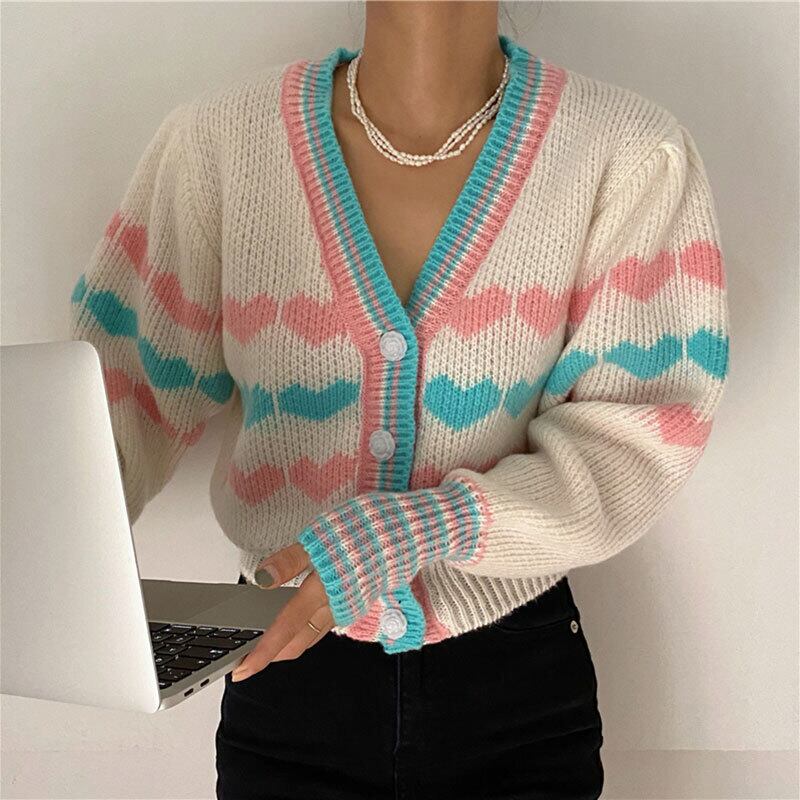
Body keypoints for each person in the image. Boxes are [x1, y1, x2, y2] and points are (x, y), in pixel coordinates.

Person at [69, 2, 731, 798]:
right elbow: (99, 414)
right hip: (288, 678)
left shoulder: (629, 154)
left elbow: (639, 434)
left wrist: (421, 526)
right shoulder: (219, 146)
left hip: (514, 685)